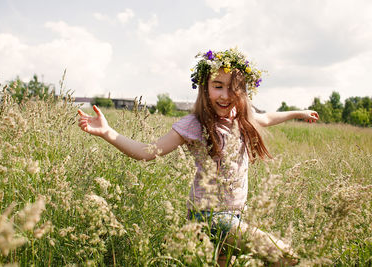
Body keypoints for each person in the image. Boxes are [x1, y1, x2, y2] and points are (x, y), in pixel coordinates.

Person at [78, 48, 319, 266]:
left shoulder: (240, 119)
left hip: (235, 214)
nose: (225, 95)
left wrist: (299, 113)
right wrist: (108, 133)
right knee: (284, 255)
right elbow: (146, 152)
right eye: (218, 86)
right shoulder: (196, 124)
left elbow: (267, 118)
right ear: (205, 88)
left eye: (233, 87)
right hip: (210, 217)